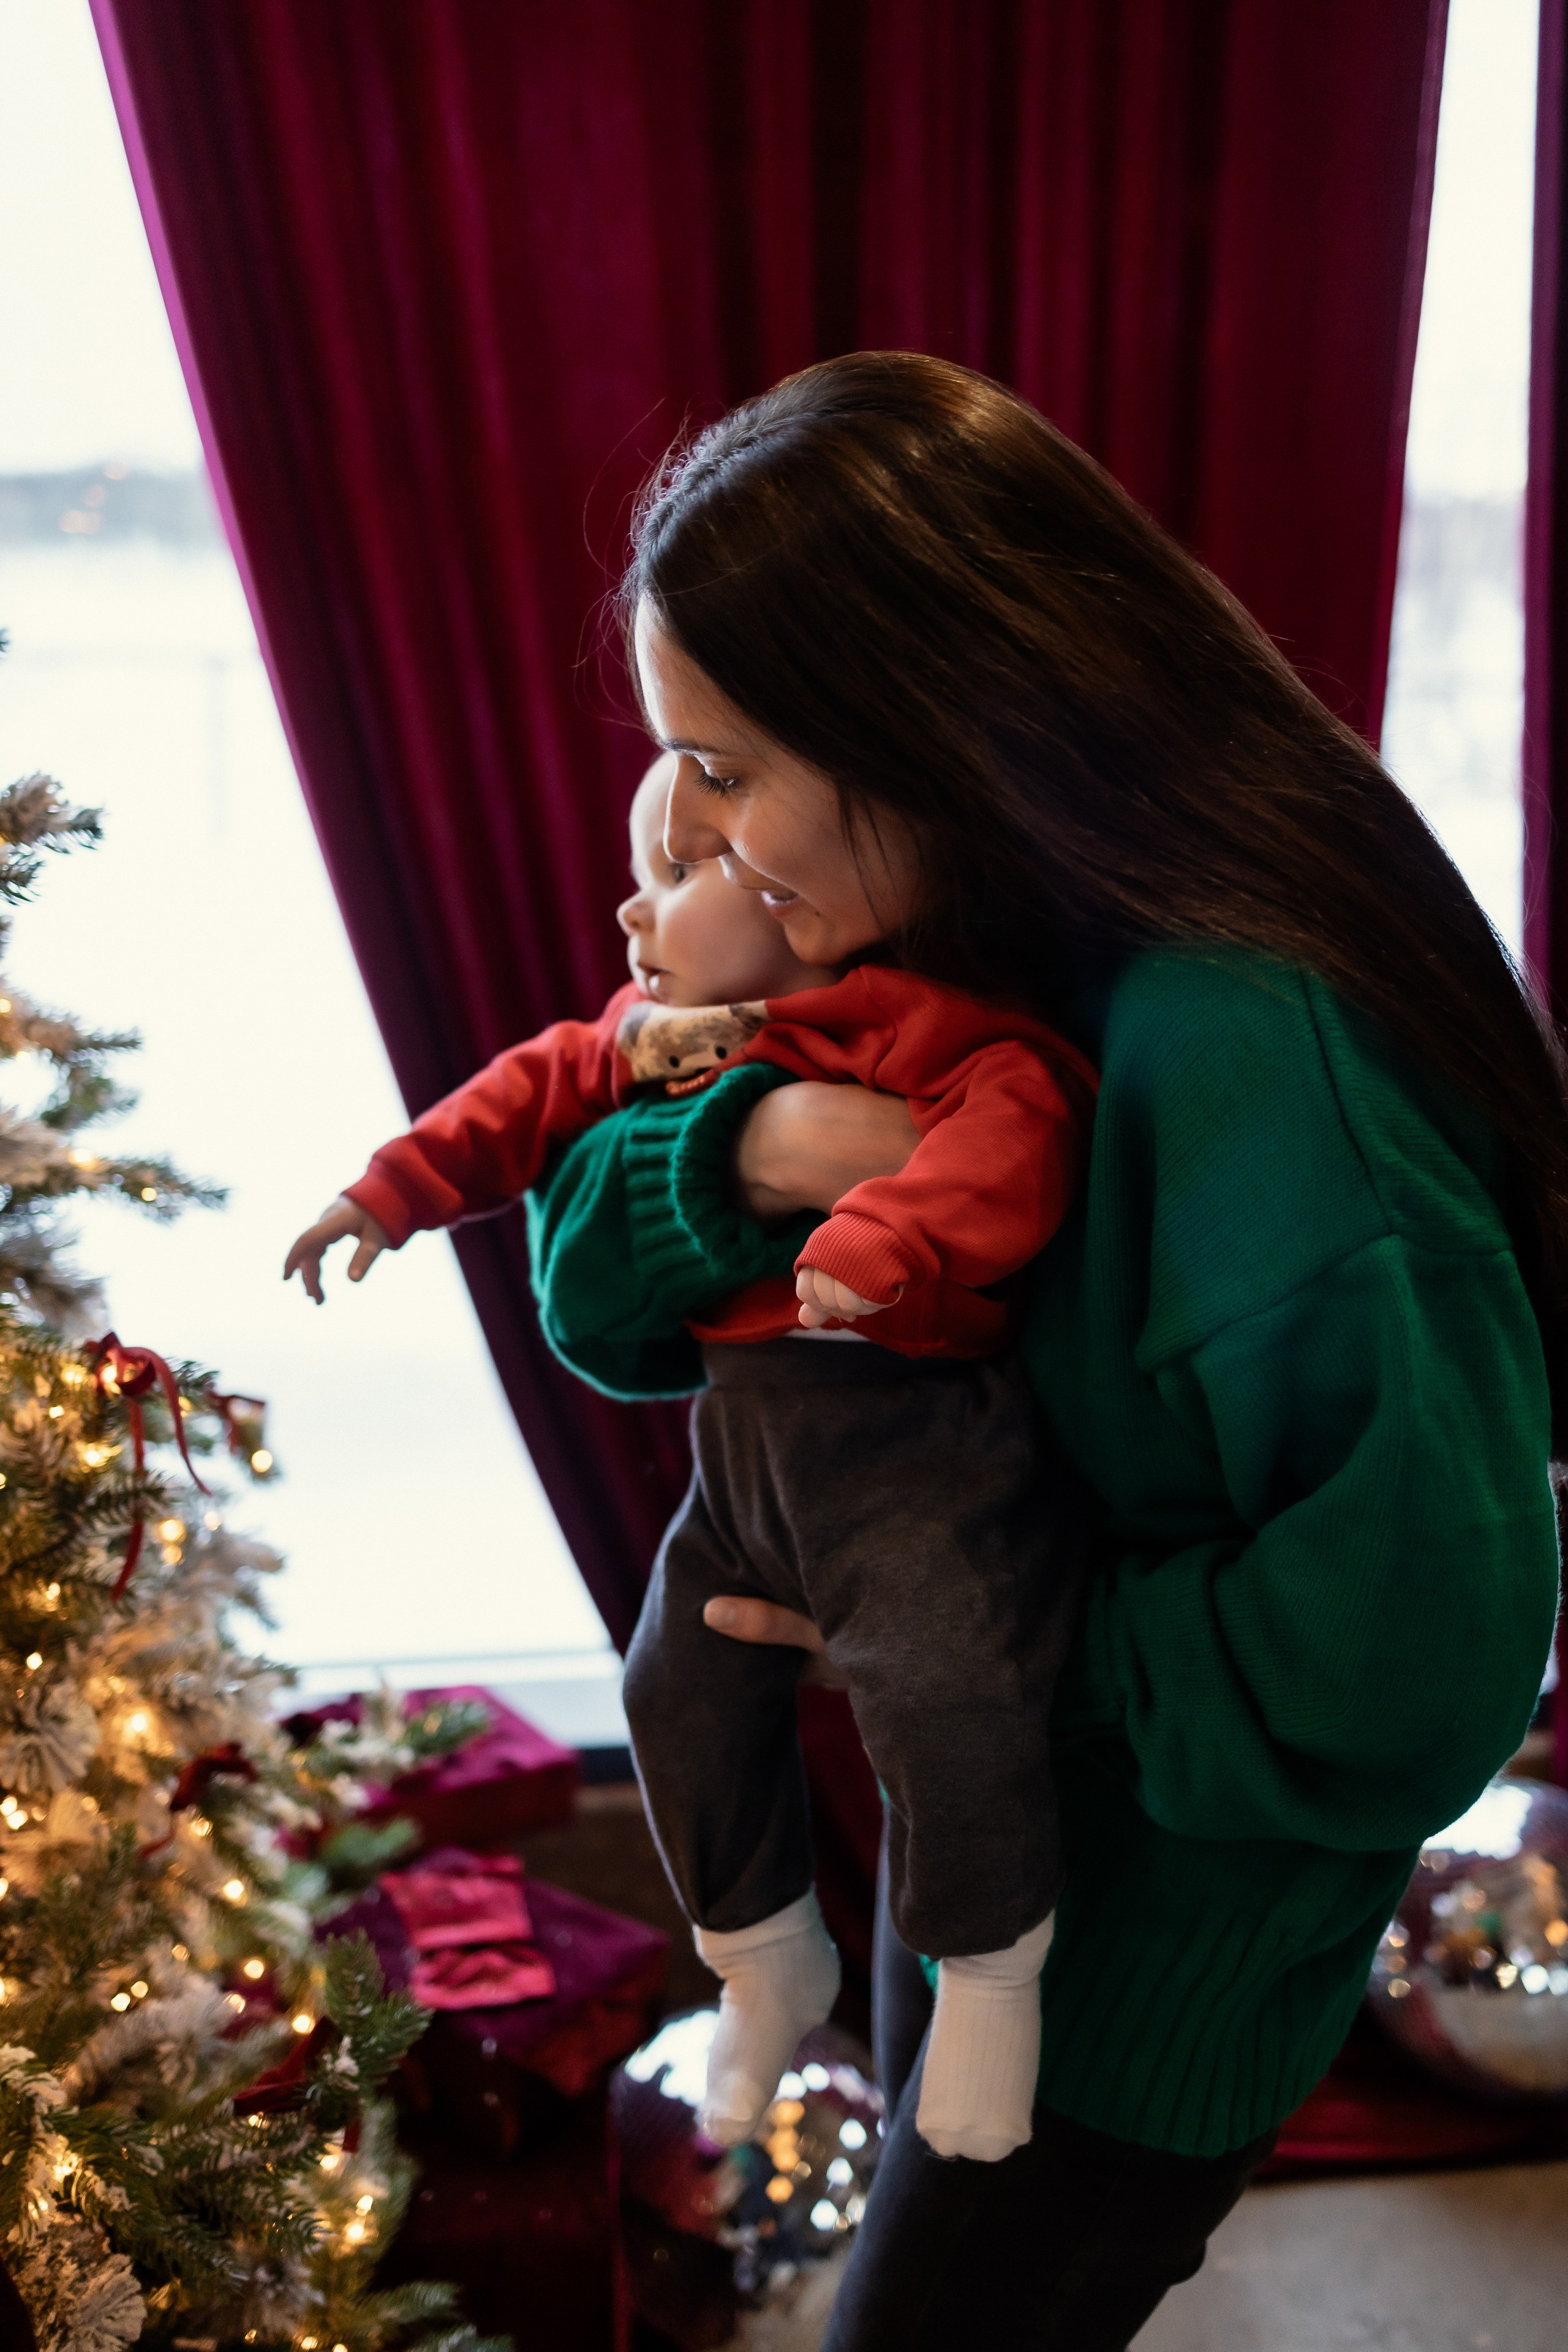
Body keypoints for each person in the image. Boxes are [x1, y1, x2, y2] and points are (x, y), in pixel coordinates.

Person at [518, 351, 1562, 2348]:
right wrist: (743, 1151)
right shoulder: (924, 937)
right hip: (984, 1847)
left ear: (913, 724)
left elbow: (1423, 1660)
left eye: (724, 768)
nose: (686, 841)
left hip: (1155, 1973)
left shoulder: (1259, 1061)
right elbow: (588, 1290)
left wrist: (1012, 1638)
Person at [284, 748, 1098, 2165]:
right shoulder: (660, 1039)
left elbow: (1013, 1134)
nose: (628, 915)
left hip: (905, 1447)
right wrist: (387, 1193)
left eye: (673, 874)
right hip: (741, 1458)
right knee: (672, 1680)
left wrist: (875, 1237)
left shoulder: (910, 1023)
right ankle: (763, 1954)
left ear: (804, 906)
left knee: (940, 1686)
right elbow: (520, 1102)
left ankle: (987, 1976)